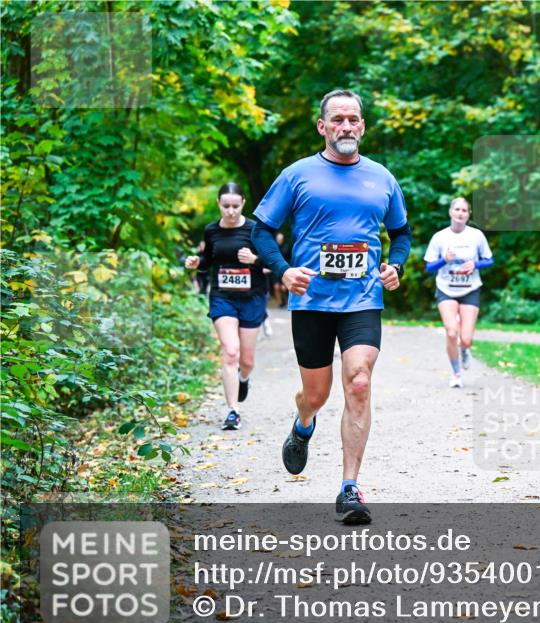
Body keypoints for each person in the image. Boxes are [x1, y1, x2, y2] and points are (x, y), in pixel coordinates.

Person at [251, 89, 411, 525]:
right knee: (317, 394)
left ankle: (349, 487)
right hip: (312, 301)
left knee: (358, 380)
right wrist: (283, 271)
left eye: (353, 119)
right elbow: (261, 230)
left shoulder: (382, 178)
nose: (346, 126)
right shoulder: (298, 175)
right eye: (337, 119)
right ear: (322, 127)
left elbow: (402, 234)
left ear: (362, 126)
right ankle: (303, 423)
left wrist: (395, 264)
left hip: (362, 299)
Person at [184, 183, 267, 430]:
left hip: (252, 297)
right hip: (222, 297)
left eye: (235, 206)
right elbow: (209, 259)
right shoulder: (211, 230)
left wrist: (254, 259)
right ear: (218, 204)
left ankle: (244, 378)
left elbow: (275, 261)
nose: (230, 211)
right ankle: (233, 411)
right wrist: (197, 262)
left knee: (247, 360)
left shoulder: (255, 230)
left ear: (243, 204)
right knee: (231, 352)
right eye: (225, 206)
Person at [424, 197, 493, 388]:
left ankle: (465, 349)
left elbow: (490, 260)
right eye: (457, 209)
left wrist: (476, 264)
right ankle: (456, 374)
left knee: (467, 338)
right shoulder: (440, 237)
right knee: (452, 332)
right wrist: (443, 260)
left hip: (470, 289)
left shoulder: (476, 236)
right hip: (446, 289)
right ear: (450, 212)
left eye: (464, 210)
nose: (461, 213)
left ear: (468, 214)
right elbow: (429, 267)